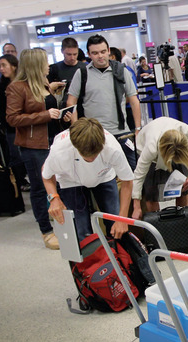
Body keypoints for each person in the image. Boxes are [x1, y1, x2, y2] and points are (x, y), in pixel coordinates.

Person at [7, 48, 70, 250]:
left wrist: (62, 115)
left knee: (59, 184)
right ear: (35, 64)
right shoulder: (17, 88)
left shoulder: (44, 83)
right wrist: (45, 115)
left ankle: (63, 224)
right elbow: (12, 118)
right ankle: (46, 231)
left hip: (54, 140)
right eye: (45, 62)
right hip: (34, 146)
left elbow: (48, 110)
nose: (49, 65)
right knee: (41, 186)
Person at [44, 118, 133, 241]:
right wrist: (54, 198)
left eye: (95, 155)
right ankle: (89, 258)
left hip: (104, 176)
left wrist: (123, 219)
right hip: (71, 180)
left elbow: (127, 181)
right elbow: (46, 175)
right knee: (81, 231)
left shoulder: (112, 148)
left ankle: (118, 257)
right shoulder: (59, 150)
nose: (91, 159)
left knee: (116, 225)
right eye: (86, 156)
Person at [67, 34, 141, 170]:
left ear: (108, 51)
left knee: (131, 173)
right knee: (99, 176)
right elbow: (71, 102)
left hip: (121, 133)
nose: (100, 56)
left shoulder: (121, 71)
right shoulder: (81, 73)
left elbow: (134, 100)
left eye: (102, 52)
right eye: (95, 53)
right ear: (89, 54)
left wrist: (138, 128)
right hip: (94, 135)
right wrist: (77, 131)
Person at [131, 117, 188, 217]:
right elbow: (139, 175)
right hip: (152, 153)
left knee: (183, 187)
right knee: (151, 193)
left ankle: (183, 219)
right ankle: (156, 225)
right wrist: (136, 207)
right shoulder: (150, 148)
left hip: (175, 145)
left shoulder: (184, 130)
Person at [0, 54, 29, 191]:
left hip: (29, 126)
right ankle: (19, 181)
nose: (1, 69)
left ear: (14, 66)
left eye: (4, 65)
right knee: (16, 156)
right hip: (12, 128)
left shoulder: (25, 84)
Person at [47, 37, 86, 108]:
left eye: (75, 54)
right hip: (62, 107)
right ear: (62, 51)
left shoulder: (85, 68)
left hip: (82, 106)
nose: (72, 58)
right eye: (69, 54)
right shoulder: (54, 69)